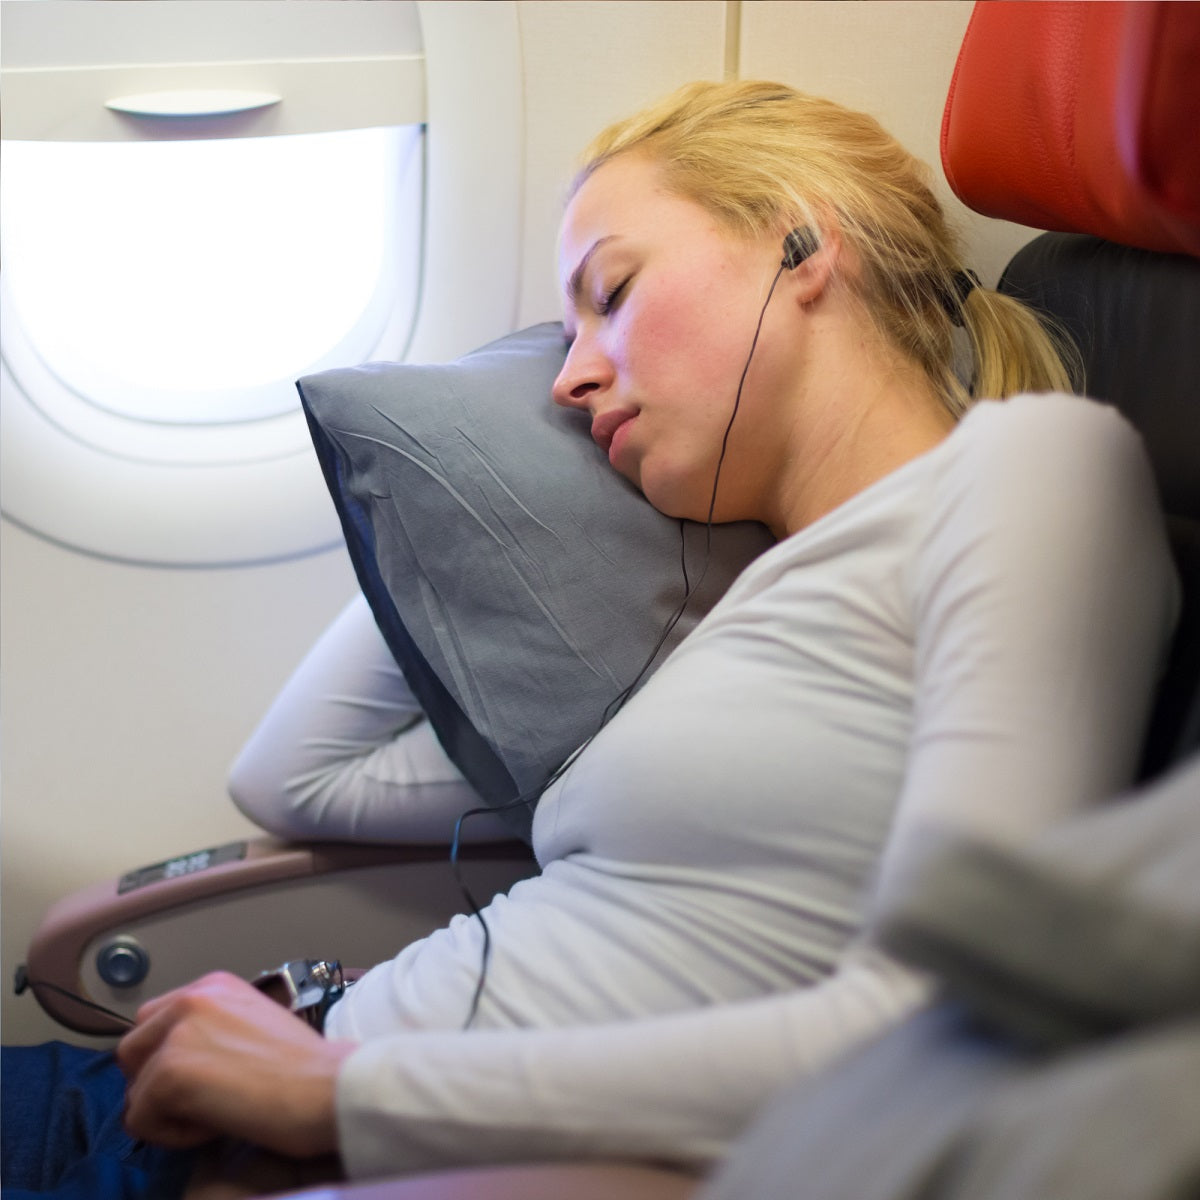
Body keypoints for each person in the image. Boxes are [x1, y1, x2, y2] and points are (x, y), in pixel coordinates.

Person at [2, 80, 1179, 1196]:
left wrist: (339, 1090)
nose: (567, 379)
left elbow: (948, 1026)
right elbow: (297, 778)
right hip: (217, 1098)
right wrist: (495, 496)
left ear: (804, 247)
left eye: (609, 293)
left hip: (315, 1137)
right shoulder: (721, 612)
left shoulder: (1030, 471)